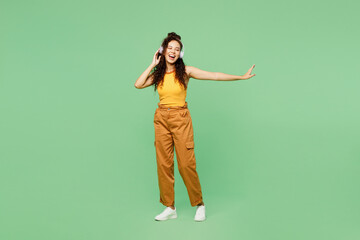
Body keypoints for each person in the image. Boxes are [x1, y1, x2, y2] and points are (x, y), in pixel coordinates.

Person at [134, 32, 256, 222]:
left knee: (185, 164)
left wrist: (240, 77)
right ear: (162, 50)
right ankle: (169, 207)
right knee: (164, 165)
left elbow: (214, 76)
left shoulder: (186, 71)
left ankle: (200, 204)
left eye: (177, 49)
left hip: (180, 118)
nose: (173, 51)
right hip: (161, 119)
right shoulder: (157, 75)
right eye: (170, 48)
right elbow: (138, 84)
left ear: (180, 54)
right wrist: (153, 64)